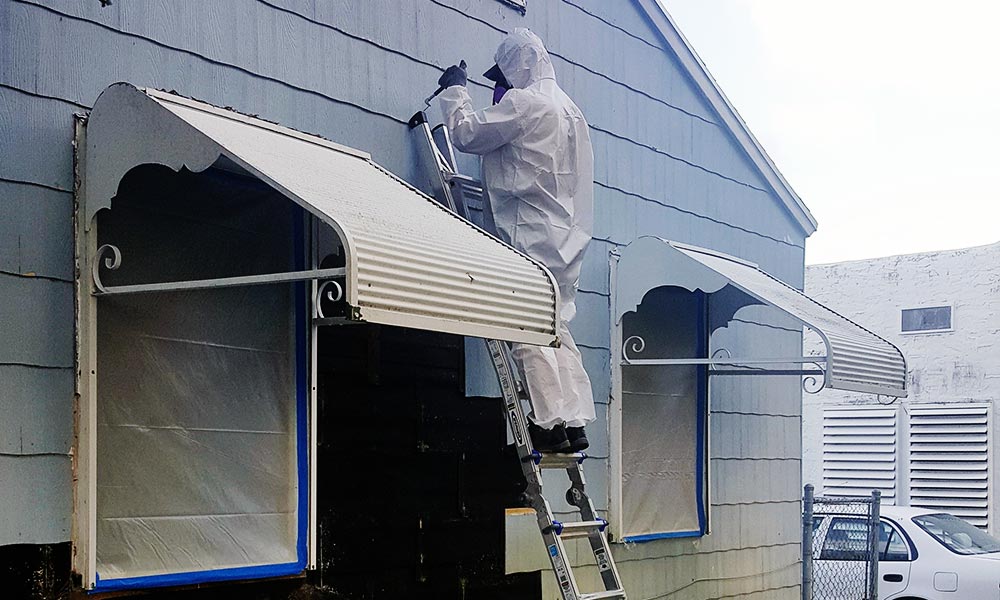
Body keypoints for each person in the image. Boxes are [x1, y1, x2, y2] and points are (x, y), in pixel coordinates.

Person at [436, 28, 595, 453]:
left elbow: (467, 134)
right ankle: (573, 419)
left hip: (529, 231)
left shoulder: (525, 103)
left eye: (504, 73)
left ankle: (547, 422)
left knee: (528, 327)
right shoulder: (571, 111)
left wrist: (456, 92)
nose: (501, 84)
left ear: (519, 62)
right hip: (566, 237)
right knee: (557, 326)